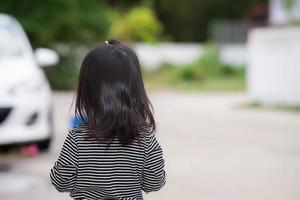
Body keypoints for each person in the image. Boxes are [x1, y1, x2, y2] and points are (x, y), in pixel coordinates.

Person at [50, 39, 166, 200]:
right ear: (137, 90)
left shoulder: (77, 138)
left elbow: (60, 182)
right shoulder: (144, 138)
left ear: (88, 90)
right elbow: (155, 182)